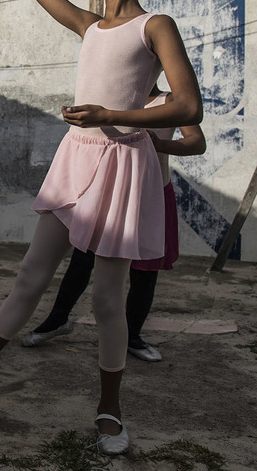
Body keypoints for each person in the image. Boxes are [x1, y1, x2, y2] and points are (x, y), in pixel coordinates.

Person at [0, 0, 203, 457]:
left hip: (121, 165)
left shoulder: (156, 26)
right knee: (31, 275)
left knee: (107, 299)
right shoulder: (89, 25)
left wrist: (114, 116)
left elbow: (188, 107)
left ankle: (109, 408)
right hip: (75, 155)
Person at [22, 86, 206, 361]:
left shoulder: (172, 102)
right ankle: (58, 319)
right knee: (82, 259)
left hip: (151, 194)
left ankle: (132, 336)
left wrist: (158, 144)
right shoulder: (112, 96)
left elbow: (196, 143)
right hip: (107, 191)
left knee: (144, 272)